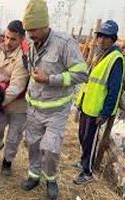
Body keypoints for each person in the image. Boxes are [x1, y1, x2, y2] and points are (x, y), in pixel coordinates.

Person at [20, 0, 88, 199]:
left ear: (45, 25)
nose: (30, 34)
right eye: (28, 30)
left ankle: (51, 179)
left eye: (33, 29)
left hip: (56, 111)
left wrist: (50, 79)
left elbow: (82, 74)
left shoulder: (65, 43)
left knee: (50, 148)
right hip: (34, 107)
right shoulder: (33, 44)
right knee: (32, 144)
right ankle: (34, 175)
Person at [73, 20, 124, 185]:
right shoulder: (99, 54)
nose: (101, 40)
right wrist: (80, 103)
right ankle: (82, 162)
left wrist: (105, 112)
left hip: (97, 110)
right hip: (87, 105)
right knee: (82, 136)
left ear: (113, 39)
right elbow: (89, 82)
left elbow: (114, 90)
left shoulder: (116, 59)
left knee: (90, 140)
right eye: (100, 36)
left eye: (106, 37)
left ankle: (87, 172)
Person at [0, 20, 29, 176]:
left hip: (18, 104)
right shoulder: (0, 50)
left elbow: (16, 87)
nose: (8, 42)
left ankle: (7, 162)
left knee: (13, 137)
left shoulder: (24, 57)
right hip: (1, 101)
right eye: (6, 37)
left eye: (13, 39)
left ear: (22, 39)